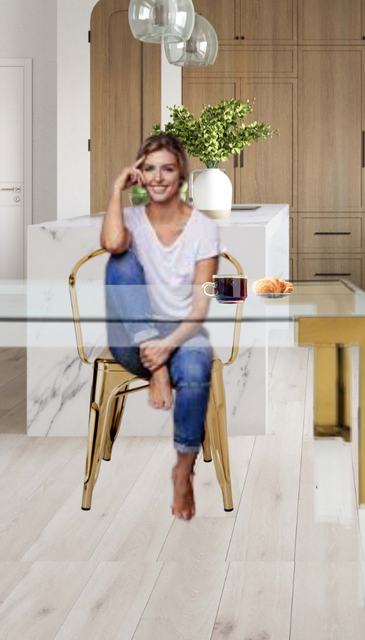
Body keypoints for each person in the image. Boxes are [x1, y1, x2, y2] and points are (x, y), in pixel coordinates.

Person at [100, 134, 222, 521]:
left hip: (183, 331)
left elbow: (201, 306)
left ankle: (182, 471)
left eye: (167, 168)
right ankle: (158, 370)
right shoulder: (131, 221)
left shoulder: (203, 228)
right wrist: (117, 190)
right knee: (117, 260)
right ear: (138, 173)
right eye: (148, 168)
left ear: (181, 176)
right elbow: (111, 242)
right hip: (132, 337)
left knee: (196, 365)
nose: (157, 177)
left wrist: (168, 345)